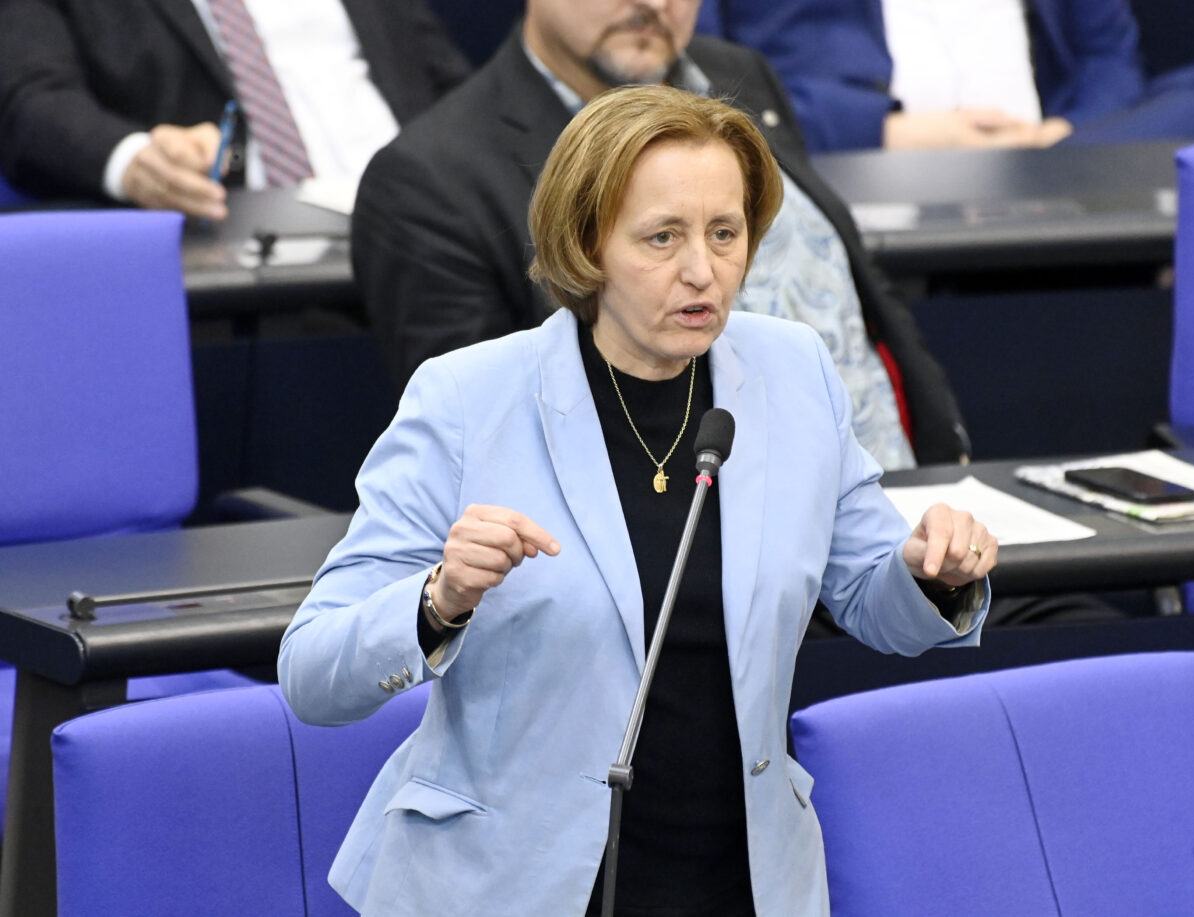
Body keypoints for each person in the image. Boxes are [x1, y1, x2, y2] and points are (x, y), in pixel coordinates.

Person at [278, 85, 994, 916]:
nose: (703, 270)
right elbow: (311, 673)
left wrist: (930, 572)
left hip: (740, 876)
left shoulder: (792, 372)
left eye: (726, 234)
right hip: (512, 884)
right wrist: (440, 600)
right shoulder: (467, 399)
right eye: (663, 237)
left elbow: (875, 601)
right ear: (587, 245)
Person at [351, 0, 969, 471]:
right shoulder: (431, 180)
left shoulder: (738, 75)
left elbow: (851, 287)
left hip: (901, 508)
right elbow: (489, 447)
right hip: (704, 560)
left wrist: (947, 458)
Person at [0, 0, 470, 219]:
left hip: (421, 226)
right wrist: (135, 160)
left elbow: (455, 89)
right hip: (240, 249)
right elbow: (30, 101)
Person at [695, 0, 1194, 153]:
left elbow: (1109, 60)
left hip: (1053, 163)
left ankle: (1057, 166)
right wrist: (894, 133)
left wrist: (1060, 136)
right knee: (721, 126)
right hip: (867, 164)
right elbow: (703, 78)